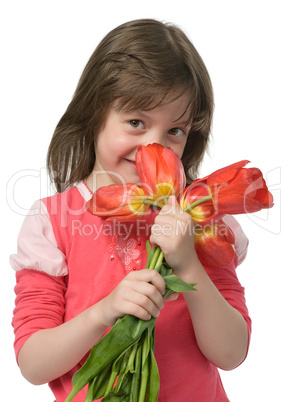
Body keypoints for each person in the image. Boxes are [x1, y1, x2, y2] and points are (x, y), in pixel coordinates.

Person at [11, 19, 251, 401]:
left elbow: (231, 352)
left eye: (175, 131)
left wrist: (188, 264)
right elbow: (33, 365)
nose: (152, 147)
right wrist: (103, 312)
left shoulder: (200, 216)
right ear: (93, 117)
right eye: (136, 122)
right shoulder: (53, 223)